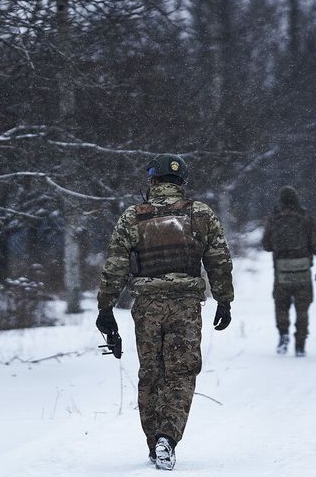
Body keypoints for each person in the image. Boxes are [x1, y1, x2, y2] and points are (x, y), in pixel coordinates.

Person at [95, 153, 234, 470]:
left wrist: (106, 308)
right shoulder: (200, 214)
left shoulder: (133, 217)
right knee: (181, 373)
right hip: (185, 305)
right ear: (182, 182)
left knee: (151, 374)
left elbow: (115, 266)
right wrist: (224, 300)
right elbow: (219, 260)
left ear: (152, 181)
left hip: (147, 307)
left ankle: (153, 441)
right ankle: (167, 439)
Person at [261, 186, 316, 357]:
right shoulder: (307, 218)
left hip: (281, 270)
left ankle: (283, 335)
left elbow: (266, 245)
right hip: (303, 270)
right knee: (302, 308)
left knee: (281, 305)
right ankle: (300, 344)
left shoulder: (274, 219)